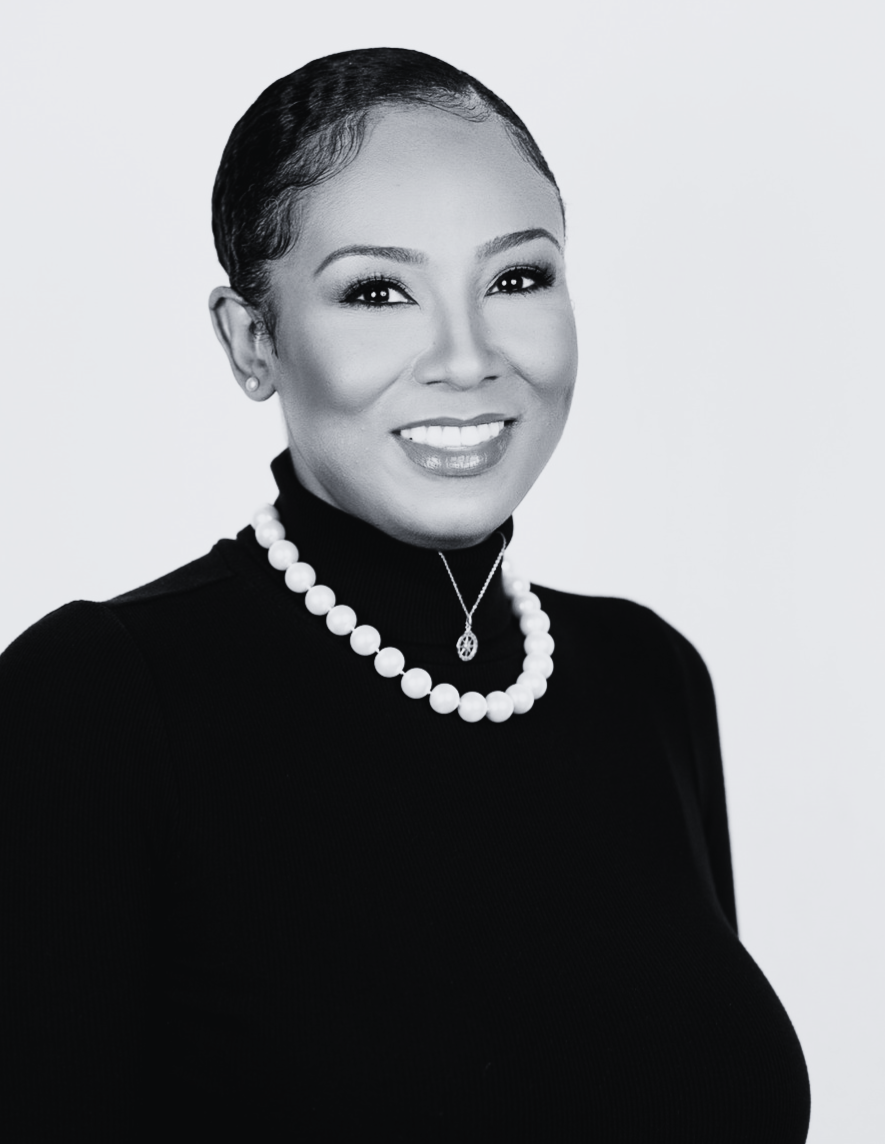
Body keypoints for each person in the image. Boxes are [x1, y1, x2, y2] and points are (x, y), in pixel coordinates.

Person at [0, 47, 811, 1140]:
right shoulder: (96, 700)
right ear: (253, 340)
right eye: (378, 291)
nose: (468, 358)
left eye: (516, 278)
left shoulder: (646, 675)